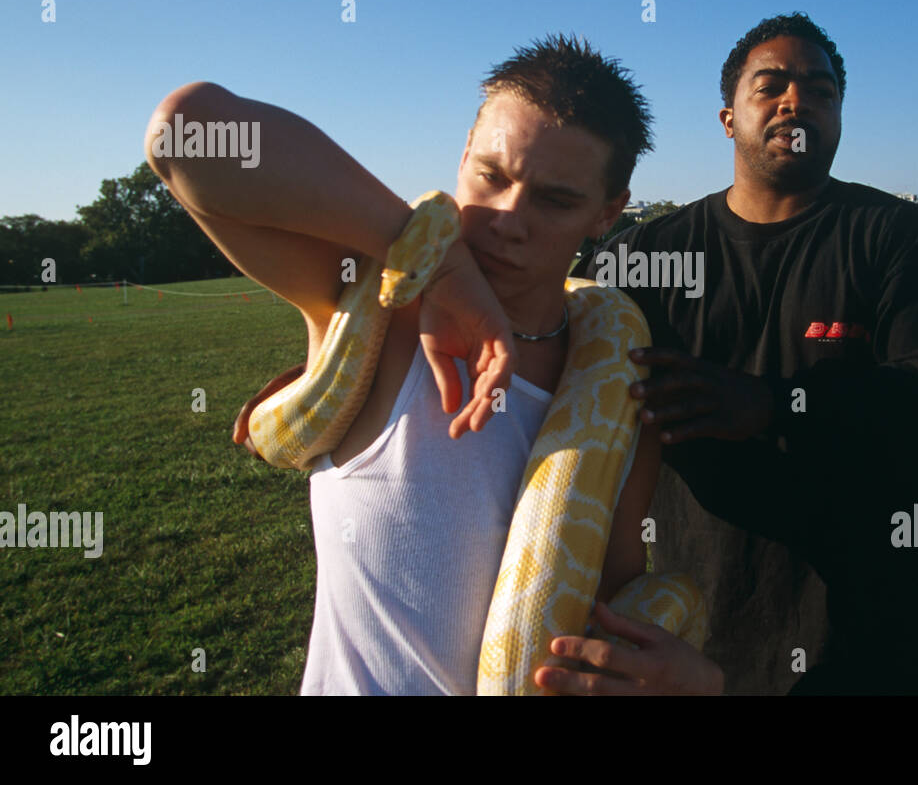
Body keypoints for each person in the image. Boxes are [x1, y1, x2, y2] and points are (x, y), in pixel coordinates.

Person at [145, 35, 723, 695]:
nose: (509, 219)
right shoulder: (375, 306)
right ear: (462, 157)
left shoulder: (623, 386)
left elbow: (610, 602)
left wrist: (679, 679)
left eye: (555, 200)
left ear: (607, 212)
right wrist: (441, 266)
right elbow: (185, 132)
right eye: (492, 176)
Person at [567, 12, 918, 695]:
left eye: (821, 90)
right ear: (729, 117)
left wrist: (771, 405)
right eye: (773, 85)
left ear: (840, 115)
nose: (798, 101)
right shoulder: (643, 256)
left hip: (888, 628)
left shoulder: (898, 237)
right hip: (709, 628)